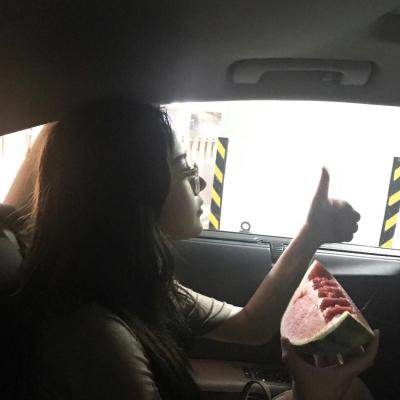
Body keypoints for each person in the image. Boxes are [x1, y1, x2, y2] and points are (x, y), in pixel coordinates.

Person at [2, 97, 378, 400]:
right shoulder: (99, 335)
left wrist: (311, 234)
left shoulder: (138, 284)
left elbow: (251, 326)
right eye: (185, 170)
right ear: (138, 194)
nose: (200, 183)